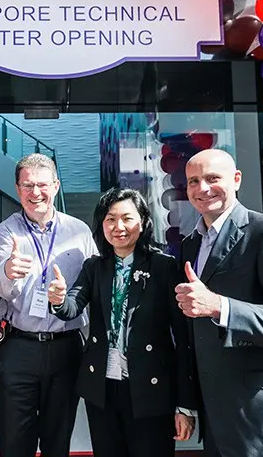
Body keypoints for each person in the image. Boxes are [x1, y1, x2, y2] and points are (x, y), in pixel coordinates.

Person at [174, 149, 263, 457]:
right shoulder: (190, 245)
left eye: (213, 178)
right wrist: (187, 402)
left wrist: (220, 306)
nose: (202, 189)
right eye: (193, 181)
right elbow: (192, 335)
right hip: (217, 418)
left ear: (236, 180)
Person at [47, 188, 197, 457]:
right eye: (110, 219)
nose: (119, 227)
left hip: (151, 389)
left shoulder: (163, 266)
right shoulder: (94, 266)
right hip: (103, 389)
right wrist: (58, 298)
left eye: (127, 218)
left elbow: (183, 339)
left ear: (143, 222)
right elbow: (72, 307)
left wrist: (185, 405)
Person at [0, 153, 97, 457]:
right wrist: (9, 271)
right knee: (14, 440)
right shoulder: (7, 232)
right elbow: (1, 288)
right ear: (17, 188)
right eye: (27, 186)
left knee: (58, 439)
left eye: (42, 185)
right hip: (19, 347)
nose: (35, 193)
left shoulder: (79, 232)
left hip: (66, 348)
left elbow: (93, 288)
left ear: (56, 186)